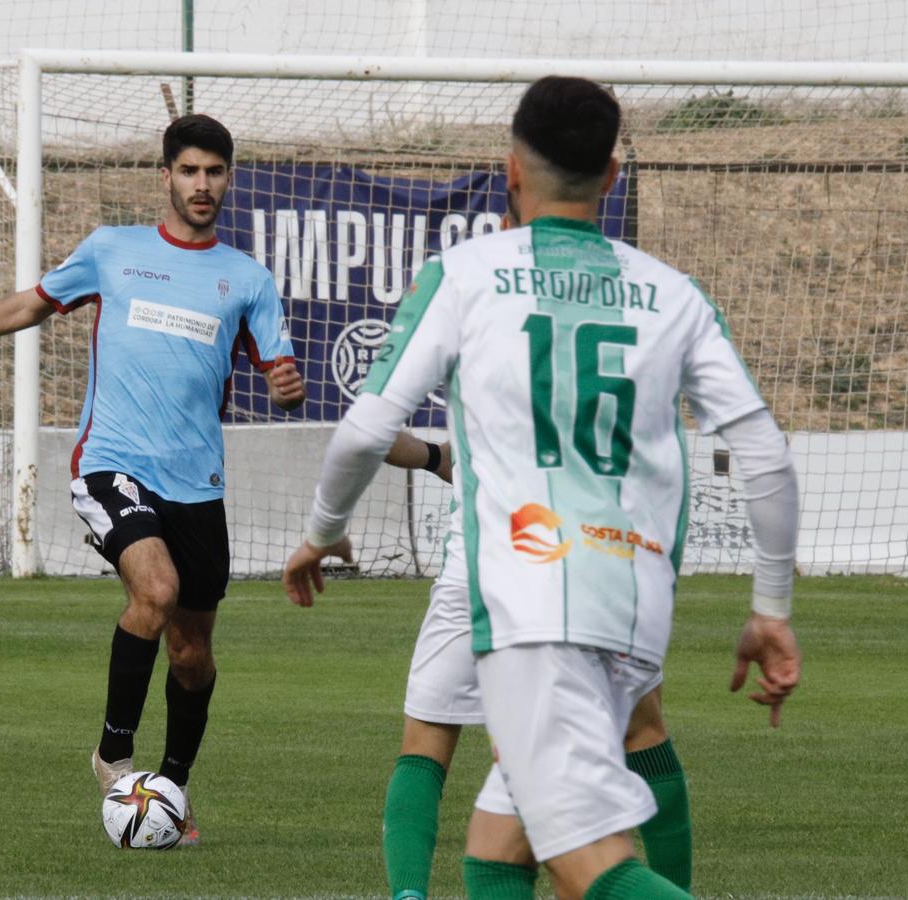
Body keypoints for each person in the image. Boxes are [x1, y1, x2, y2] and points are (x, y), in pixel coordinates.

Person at [284, 76, 800, 899]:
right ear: (611, 178)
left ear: (510, 171)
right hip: (632, 603)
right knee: (499, 838)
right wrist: (769, 609)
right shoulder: (675, 296)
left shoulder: (465, 275)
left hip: (530, 602)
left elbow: (361, 430)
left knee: (587, 864)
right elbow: (766, 457)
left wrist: (321, 530)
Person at [0, 113, 306, 846]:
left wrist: (287, 386)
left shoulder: (248, 278)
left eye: (214, 172)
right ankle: (113, 754)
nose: (201, 185)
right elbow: (28, 305)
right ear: (165, 175)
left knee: (193, 653)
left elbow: (278, 372)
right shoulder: (114, 251)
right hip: (111, 463)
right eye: (188, 171)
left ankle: (171, 786)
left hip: (196, 483)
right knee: (156, 590)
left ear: (228, 178)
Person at [379, 437, 692, 899]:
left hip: (480, 583)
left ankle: (408, 895)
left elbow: (370, 432)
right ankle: (674, 886)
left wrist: (325, 530)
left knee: (437, 759)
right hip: (583, 576)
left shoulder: (474, 371)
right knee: (637, 743)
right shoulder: (617, 375)